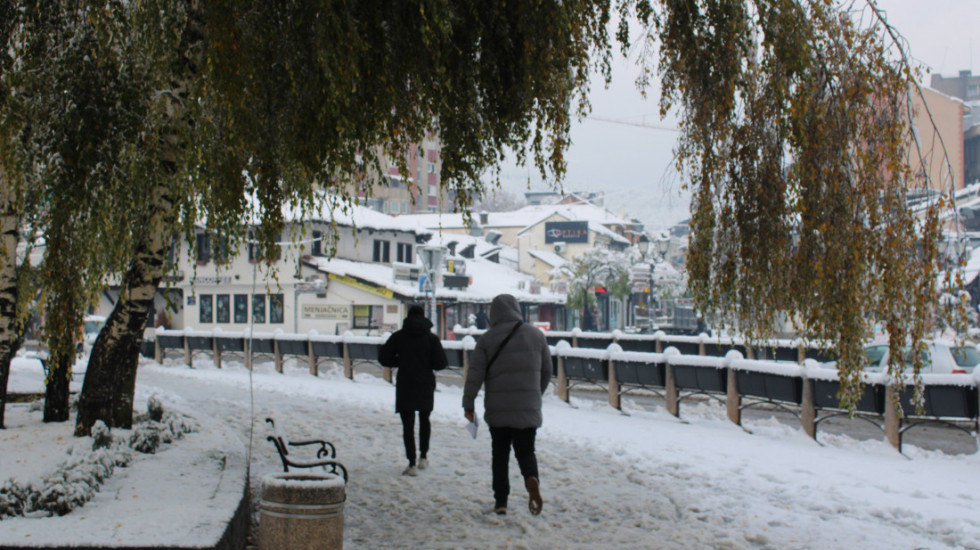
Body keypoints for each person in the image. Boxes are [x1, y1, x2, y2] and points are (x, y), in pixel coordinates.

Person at [462, 293, 551, 516]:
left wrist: (468, 403)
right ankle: (531, 478)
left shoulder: (487, 339)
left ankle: (501, 501)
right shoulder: (536, 335)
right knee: (526, 451)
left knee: (499, 456)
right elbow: (548, 371)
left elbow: (475, 375)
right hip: (527, 409)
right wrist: (534, 394)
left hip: (498, 410)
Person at [379, 305, 448, 476]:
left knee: (407, 426)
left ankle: (411, 463)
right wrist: (427, 363)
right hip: (425, 383)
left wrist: (400, 361)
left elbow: (384, 358)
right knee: (425, 420)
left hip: (405, 384)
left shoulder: (399, 337)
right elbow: (441, 363)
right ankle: (423, 457)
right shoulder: (431, 339)